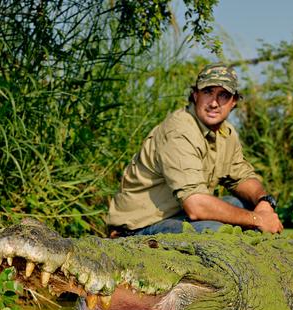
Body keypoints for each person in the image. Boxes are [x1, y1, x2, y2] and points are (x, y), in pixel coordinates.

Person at [107, 63, 283, 237]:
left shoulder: (226, 133)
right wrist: (258, 219)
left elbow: (243, 177)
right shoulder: (179, 131)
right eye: (208, 92)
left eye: (223, 95)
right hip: (141, 225)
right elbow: (196, 206)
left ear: (233, 102)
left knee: (244, 204)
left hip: (181, 215)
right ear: (195, 95)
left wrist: (264, 202)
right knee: (216, 230)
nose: (214, 103)